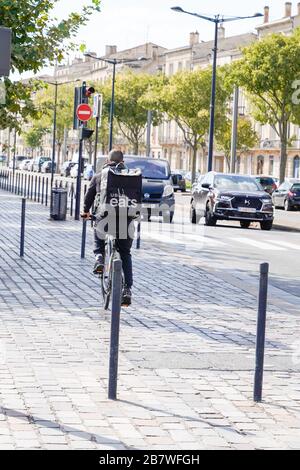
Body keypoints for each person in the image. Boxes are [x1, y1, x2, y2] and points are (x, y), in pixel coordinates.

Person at [81, 150, 133, 306]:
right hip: (126, 221)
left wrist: (85, 212)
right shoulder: (131, 176)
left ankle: (99, 258)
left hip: (104, 219)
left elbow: (88, 197)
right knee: (125, 253)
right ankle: (127, 289)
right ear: (122, 160)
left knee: (99, 237)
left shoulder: (99, 176)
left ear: (107, 160)